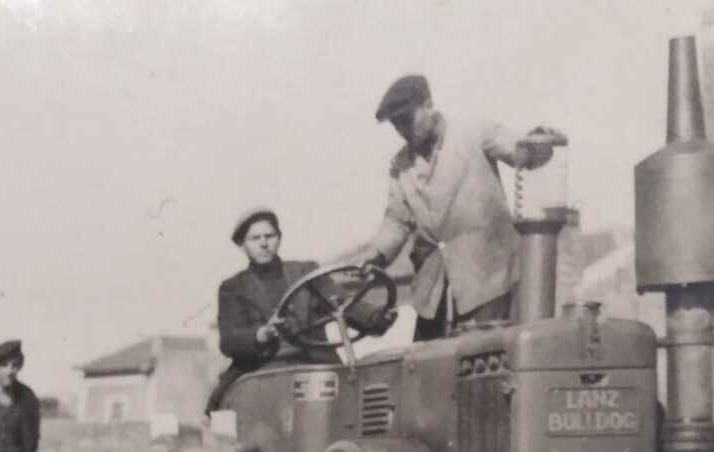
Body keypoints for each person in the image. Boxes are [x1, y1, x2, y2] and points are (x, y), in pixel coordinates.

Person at [358, 74, 562, 341]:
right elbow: (397, 220)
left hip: (488, 280)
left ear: (428, 105)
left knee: (483, 355)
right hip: (433, 289)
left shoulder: (474, 132)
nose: (403, 130)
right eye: (396, 125)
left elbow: (520, 152)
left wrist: (539, 143)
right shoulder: (401, 165)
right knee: (425, 360)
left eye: (407, 120)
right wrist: (377, 255)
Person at [207, 207, 397, 413]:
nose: (263, 243)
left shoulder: (306, 272)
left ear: (279, 238)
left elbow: (340, 302)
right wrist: (261, 335)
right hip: (264, 369)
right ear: (242, 245)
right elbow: (230, 340)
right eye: (255, 238)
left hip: (314, 364)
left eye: (269, 236)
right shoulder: (233, 288)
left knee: (356, 403)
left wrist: (374, 317)